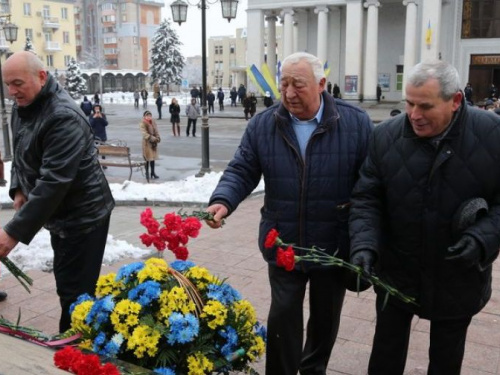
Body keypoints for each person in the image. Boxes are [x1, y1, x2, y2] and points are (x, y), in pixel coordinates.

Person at [204, 52, 373, 375]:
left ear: (322, 84)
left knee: (325, 318)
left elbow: (369, 184)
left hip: (332, 243)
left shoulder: (355, 123)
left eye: (299, 85)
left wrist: (364, 238)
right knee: (282, 316)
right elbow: (242, 169)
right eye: (284, 84)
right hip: (282, 240)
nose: (289, 93)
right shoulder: (264, 124)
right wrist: (223, 200)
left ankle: (313, 370)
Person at [349, 60, 500, 375]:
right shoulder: (385, 136)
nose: (414, 115)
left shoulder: (493, 134)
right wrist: (364, 245)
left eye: (425, 106)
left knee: (446, 360)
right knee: (385, 355)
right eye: (409, 103)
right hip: (396, 271)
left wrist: (482, 237)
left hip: (458, 275)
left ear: (456, 100)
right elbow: (367, 197)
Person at [0, 51, 115, 333]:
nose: (12, 92)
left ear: (41, 77)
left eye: (17, 83)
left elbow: (55, 182)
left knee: (76, 294)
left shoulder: (63, 116)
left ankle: (76, 348)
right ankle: (79, 341)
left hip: (85, 216)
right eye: (7, 85)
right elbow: (20, 153)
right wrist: (18, 189)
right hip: (60, 215)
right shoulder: (24, 104)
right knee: (68, 284)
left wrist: (13, 232)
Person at [139, 110, 160, 180]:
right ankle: (147, 172)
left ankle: (153, 172)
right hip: (147, 143)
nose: (149, 117)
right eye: (147, 116)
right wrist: (151, 137)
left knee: (153, 158)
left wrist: (157, 137)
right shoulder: (142, 123)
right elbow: (144, 133)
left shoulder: (153, 122)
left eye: (150, 115)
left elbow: (156, 130)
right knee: (147, 158)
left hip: (153, 143)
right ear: (144, 116)